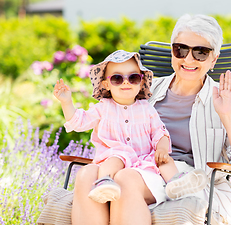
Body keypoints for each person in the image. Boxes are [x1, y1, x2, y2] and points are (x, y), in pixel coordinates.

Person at [69, 14, 231, 225]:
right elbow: (111, 118)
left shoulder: (228, 99)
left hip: (190, 180)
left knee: (125, 179)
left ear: (213, 59)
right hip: (139, 167)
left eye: (201, 52)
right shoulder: (143, 90)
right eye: (181, 49)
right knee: (87, 174)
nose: (188, 60)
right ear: (172, 52)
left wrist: (226, 115)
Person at [53, 50, 207, 207]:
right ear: (106, 84)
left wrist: (161, 148)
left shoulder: (146, 109)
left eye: (133, 78)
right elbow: (79, 122)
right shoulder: (103, 108)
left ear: (141, 83)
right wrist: (66, 102)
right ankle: (105, 183)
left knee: (164, 160)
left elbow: (159, 132)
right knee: (115, 158)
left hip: (143, 161)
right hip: (114, 160)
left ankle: (177, 183)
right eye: (117, 78)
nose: (125, 82)